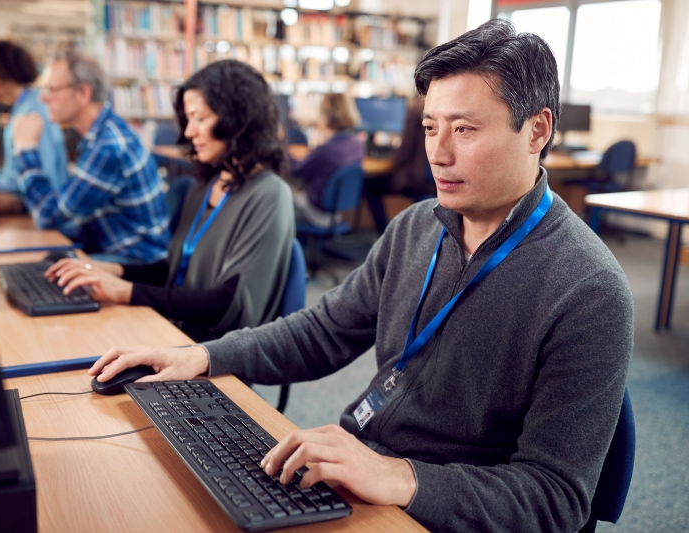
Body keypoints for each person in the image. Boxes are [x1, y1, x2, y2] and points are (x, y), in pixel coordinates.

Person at [86, 19, 634, 532]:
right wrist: (204, 357)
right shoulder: (417, 227)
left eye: (464, 130)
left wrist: (400, 476)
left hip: (433, 508)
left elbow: (556, 498)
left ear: (537, 130)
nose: (437, 155)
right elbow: (321, 332)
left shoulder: (587, 289)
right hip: (360, 470)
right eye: (429, 128)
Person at [46, 60, 294, 342]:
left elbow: (226, 305)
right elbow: (174, 271)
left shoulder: (268, 195)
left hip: (213, 350)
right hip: (172, 329)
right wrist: (107, 270)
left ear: (238, 120)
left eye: (200, 118)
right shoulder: (206, 185)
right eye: (188, 120)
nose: (189, 132)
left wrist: (124, 291)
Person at [12, 49, 170, 264]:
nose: (43, 98)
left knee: (40, 270)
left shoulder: (108, 147)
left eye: (51, 90)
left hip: (136, 262)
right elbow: (69, 202)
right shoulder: (100, 134)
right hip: (111, 245)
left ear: (83, 93)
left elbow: (48, 217)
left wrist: (26, 149)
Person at [0, 40, 68, 216]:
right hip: (32, 207)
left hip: (47, 215)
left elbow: (46, 177)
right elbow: (16, 172)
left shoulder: (34, 111)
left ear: (5, 73)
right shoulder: (23, 106)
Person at [289, 93, 365, 228]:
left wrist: (281, 147)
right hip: (337, 213)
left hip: (316, 214)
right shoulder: (358, 144)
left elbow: (294, 170)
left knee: (277, 196)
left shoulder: (326, 150)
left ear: (326, 116)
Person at [362, 95, 436, 233]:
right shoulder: (440, 110)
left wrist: (392, 156)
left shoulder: (416, 111)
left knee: (370, 186)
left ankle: (384, 232)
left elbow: (403, 154)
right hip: (433, 178)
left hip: (416, 179)